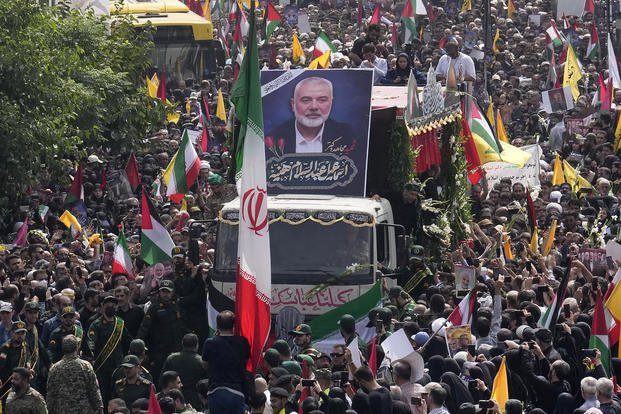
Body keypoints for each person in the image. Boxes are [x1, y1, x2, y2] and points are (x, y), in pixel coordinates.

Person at [267, 77, 357, 155]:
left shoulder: (348, 136)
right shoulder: (272, 139)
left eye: (322, 100)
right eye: (306, 100)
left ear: (331, 103)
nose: (314, 107)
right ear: (293, 104)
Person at [137, 279, 186, 383]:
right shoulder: (154, 307)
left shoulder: (177, 306)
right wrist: (139, 346)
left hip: (176, 349)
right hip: (159, 351)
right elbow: (144, 328)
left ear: (172, 293)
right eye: (163, 291)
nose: (165, 294)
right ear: (159, 292)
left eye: (168, 291)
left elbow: (182, 326)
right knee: (159, 378)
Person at [202, 310, 250, 414]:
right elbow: (245, 362)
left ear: (217, 326)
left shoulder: (210, 343)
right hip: (237, 391)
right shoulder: (242, 342)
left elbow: (205, 365)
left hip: (215, 391)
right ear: (233, 325)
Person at [86, 293, 131, 404]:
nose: (111, 306)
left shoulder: (119, 323)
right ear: (102, 305)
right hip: (102, 367)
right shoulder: (96, 324)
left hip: (118, 366)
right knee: (103, 396)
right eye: (108, 304)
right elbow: (90, 342)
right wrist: (90, 356)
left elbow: (128, 341)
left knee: (118, 395)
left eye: (113, 304)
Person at [46, 334, 103, 414]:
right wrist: (99, 408)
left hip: (62, 410)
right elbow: (94, 389)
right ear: (77, 348)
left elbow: (51, 394)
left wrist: (49, 410)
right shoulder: (85, 366)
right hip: (83, 410)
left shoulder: (54, 368)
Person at [162, 333, 206, 410]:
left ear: (182, 343)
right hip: (194, 399)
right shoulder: (201, 362)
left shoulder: (171, 358)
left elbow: (163, 379)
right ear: (197, 345)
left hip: (173, 399)